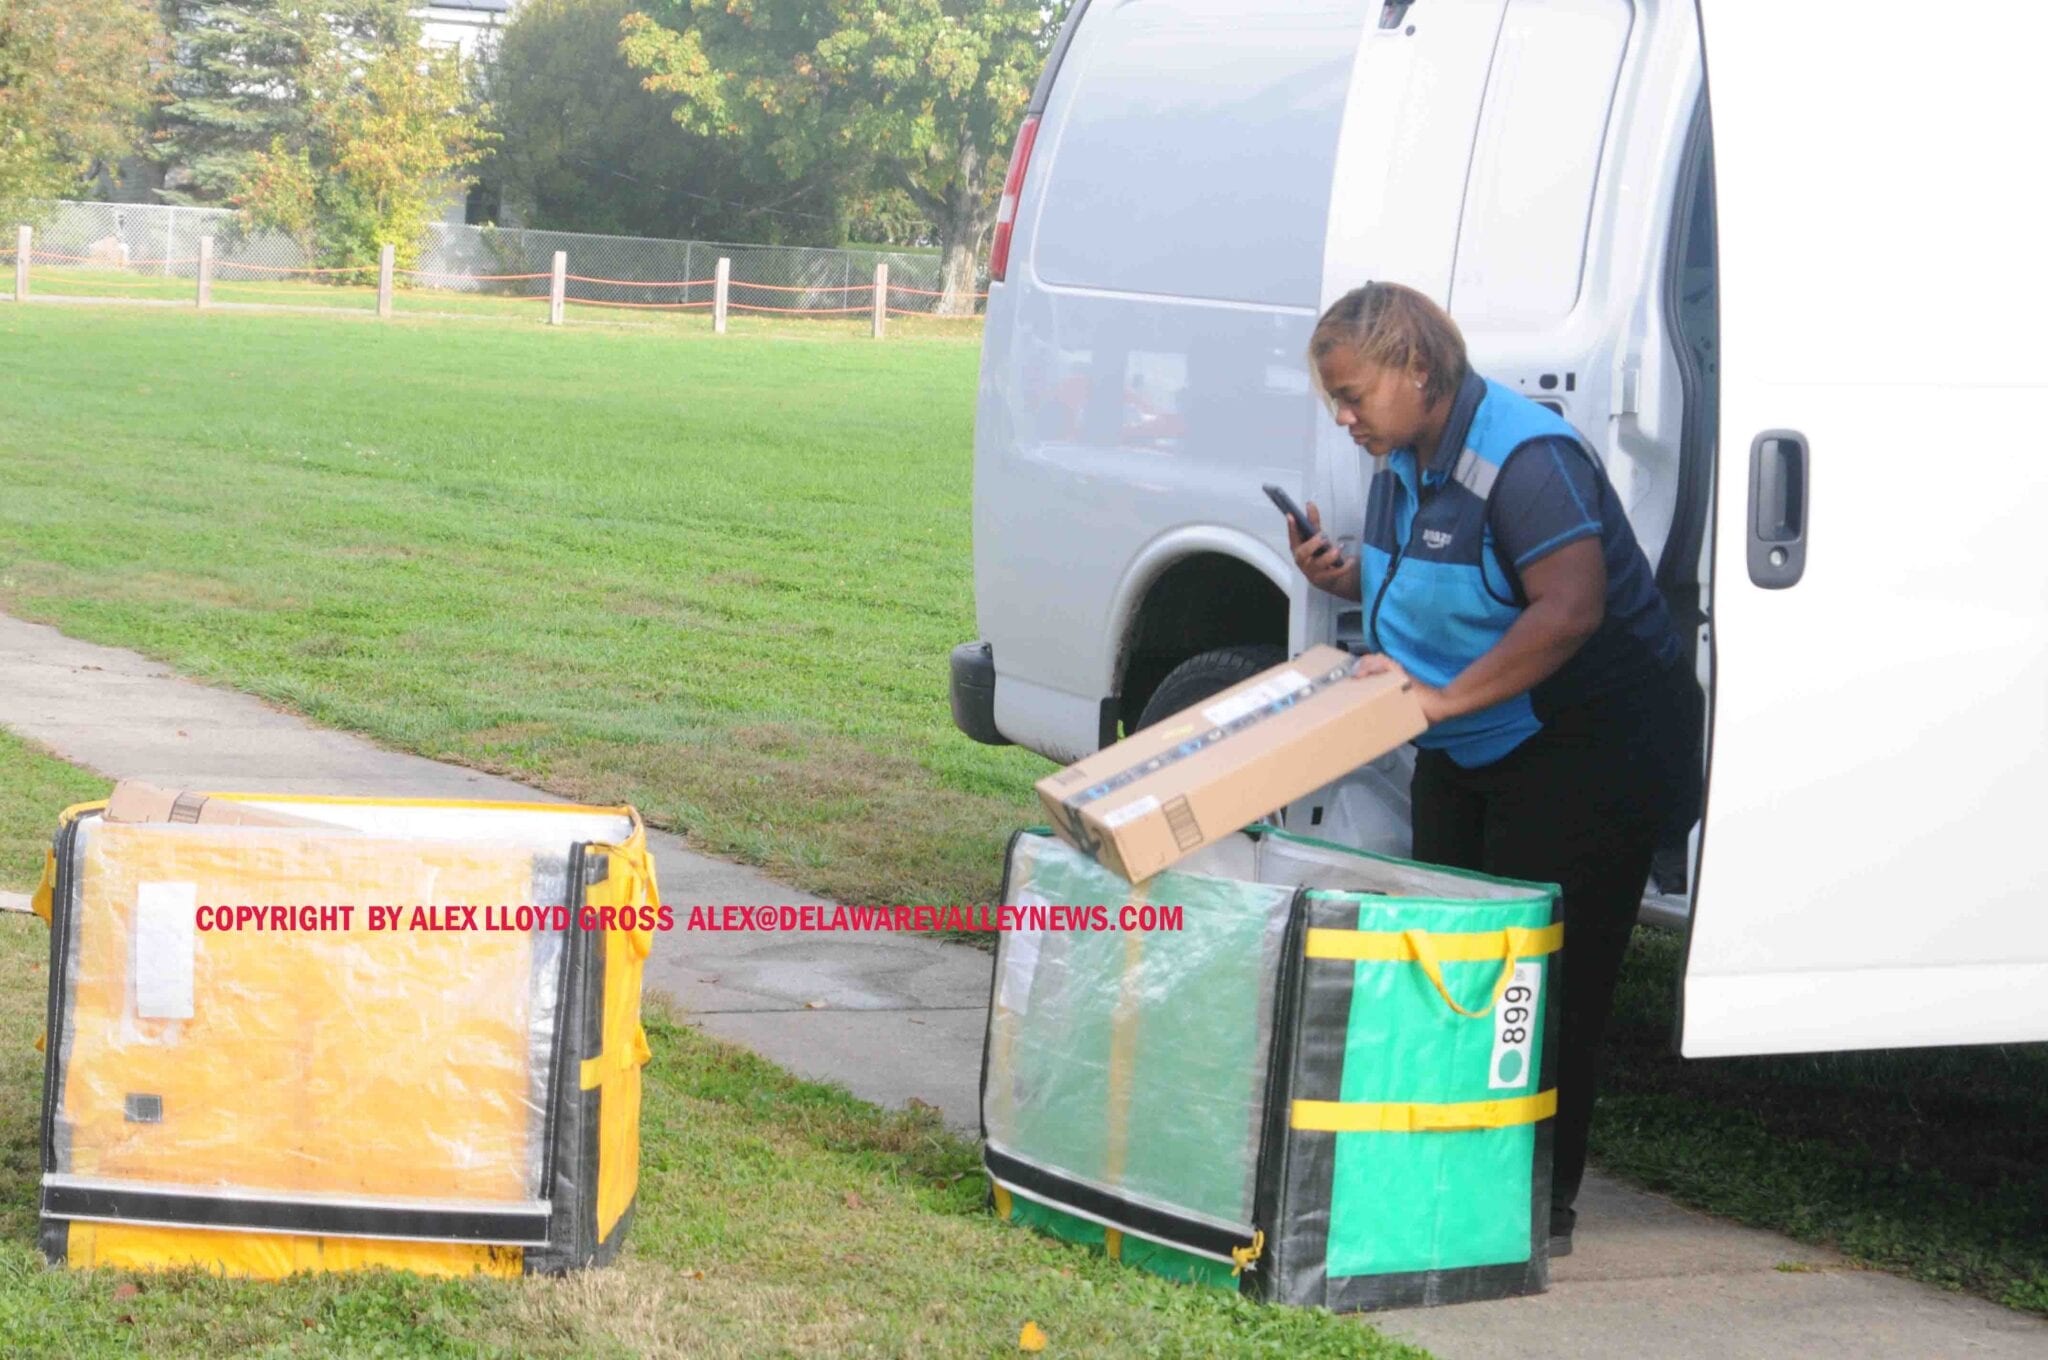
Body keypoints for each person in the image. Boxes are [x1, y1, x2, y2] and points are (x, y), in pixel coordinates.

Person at [1289, 281, 1703, 1256]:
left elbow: (1567, 608)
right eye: (1335, 400)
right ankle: (1450, 1178)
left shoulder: (1525, 458)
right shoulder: (1402, 455)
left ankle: (1528, 1212)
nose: (1343, 418)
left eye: (1352, 396)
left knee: (1540, 984)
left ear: (1416, 370)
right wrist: (1347, 574)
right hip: (1471, 736)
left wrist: (1438, 700)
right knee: (1450, 959)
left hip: (1585, 741)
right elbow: (1455, 572)